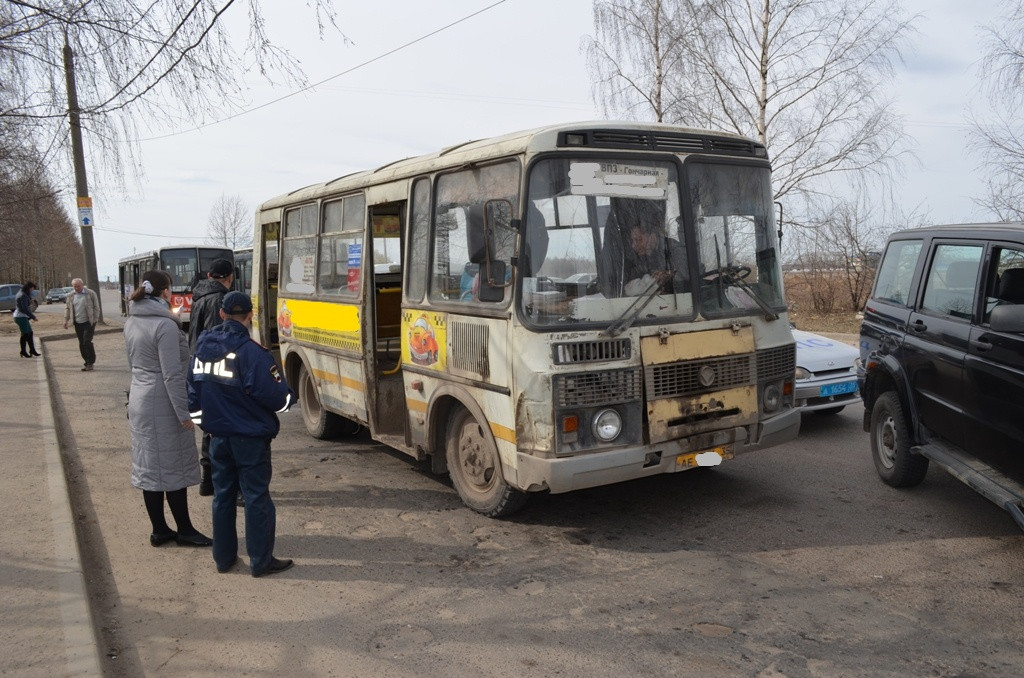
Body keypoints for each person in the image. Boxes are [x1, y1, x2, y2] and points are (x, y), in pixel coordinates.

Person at [188, 291, 296, 577]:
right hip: (250, 440)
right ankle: (261, 562)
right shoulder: (253, 353)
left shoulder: (201, 348)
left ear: (221, 314)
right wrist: (289, 397)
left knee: (222, 497)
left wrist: (206, 424)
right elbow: (277, 399)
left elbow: (192, 394)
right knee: (256, 498)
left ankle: (224, 560)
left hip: (217, 438)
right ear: (250, 316)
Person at [124, 270, 212, 548]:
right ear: (164, 292)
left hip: (140, 396)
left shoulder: (132, 321)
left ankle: (160, 529)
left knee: (151, 468)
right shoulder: (165, 327)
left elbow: (133, 364)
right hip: (162, 402)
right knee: (172, 468)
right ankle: (184, 529)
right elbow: (172, 375)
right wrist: (184, 413)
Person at [187, 258, 235, 495]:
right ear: (230, 277)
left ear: (209, 276)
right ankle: (223, 484)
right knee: (222, 426)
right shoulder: (220, 299)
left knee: (210, 424)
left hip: (199, 364)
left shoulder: (199, 296)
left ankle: (208, 480)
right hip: (216, 369)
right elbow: (219, 338)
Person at [601, 198, 690, 297]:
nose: (633, 246)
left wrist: (666, 276)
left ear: (652, 236)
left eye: (638, 240)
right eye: (632, 241)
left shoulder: (674, 250)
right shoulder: (637, 259)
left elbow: (685, 281)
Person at [63, 278, 101, 371]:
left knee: (86, 341)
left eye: (78, 286)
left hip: (89, 322)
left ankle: (90, 362)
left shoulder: (90, 293)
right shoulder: (71, 295)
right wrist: (65, 320)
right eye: (74, 286)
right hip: (77, 322)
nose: (76, 288)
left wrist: (94, 320)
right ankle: (86, 362)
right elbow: (67, 308)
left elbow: (96, 307)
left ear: (82, 285)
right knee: (81, 343)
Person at [14, 282, 40, 358]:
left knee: (29, 333)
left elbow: (23, 305)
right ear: (29, 288)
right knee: (25, 334)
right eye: (32, 289)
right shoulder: (23, 295)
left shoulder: (22, 293)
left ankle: (32, 350)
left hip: (21, 316)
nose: (32, 290)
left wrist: (29, 301)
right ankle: (23, 351)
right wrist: (33, 317)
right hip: (20, 317)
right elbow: (24, 309)